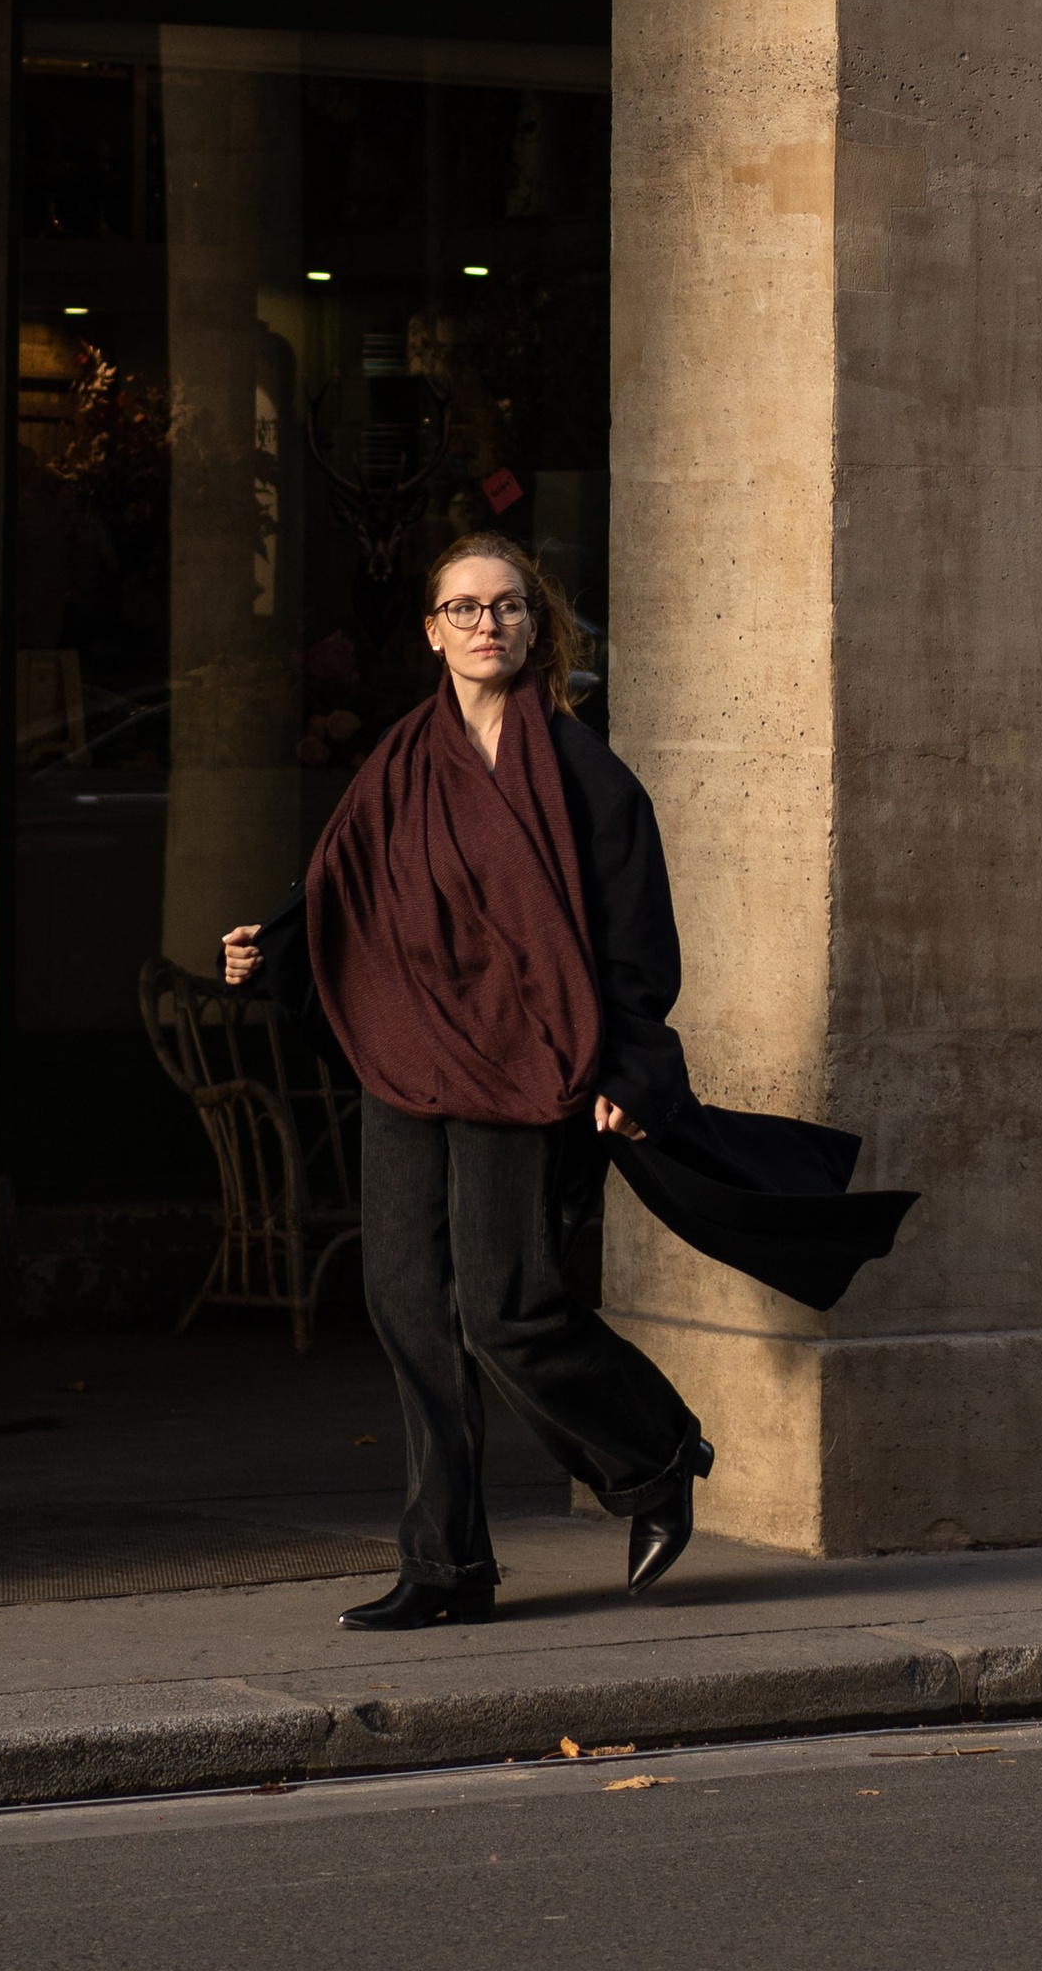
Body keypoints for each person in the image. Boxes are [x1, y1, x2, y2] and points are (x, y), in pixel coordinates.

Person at [223, 532, 716, 1629]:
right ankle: (445, 1568)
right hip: (408, 1055)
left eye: (505, 607)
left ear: (537, 628)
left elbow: (636, 938)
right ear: (432, 632)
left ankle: (654, 1454)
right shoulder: (398, 763)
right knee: (403, 1302)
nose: (484, 625)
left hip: (524, 1061)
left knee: (508, 1313)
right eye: (462, 608)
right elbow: (344, 889)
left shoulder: (589, 774)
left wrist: (629, 1065)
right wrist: (271, 951)